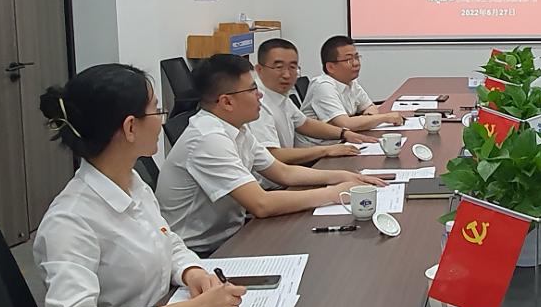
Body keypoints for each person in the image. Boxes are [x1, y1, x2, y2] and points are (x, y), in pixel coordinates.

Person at [34, 64, 247, 307]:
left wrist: (192, 271)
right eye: (156, 110)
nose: (163, 120)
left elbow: (168, 241)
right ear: (131, 127)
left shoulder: (132, 182)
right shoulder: (71, 221)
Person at [156, 54, 385, 255]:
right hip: (201, 252)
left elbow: (283, 173)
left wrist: (343, 177)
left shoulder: (237, 128)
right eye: (252, 89)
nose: (260, 95)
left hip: (233, 235)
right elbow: (262, 204)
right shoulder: (209, 139)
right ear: (227, 101)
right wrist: (334, 193)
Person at [249, 38, 376, 171]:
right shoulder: (257, 102)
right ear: (259, 70)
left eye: (292, 67)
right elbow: (271, 155)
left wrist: (344, 133)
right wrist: (326, 150)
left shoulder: (279, 96)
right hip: (276, 178)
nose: (286, 75)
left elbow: (304, 124)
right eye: (279, 67)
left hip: (289, 171)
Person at [297, 35, 403, 146]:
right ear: (330, 67)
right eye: (348, 60)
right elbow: (345, 124)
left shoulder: (350, 82)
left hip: (343, 142)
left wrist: (368, 119)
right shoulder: (323, 86)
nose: (356, 63)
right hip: (318, 150)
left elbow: (370, 107)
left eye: (357, 57)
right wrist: (385, 118)